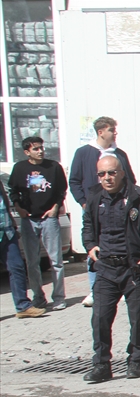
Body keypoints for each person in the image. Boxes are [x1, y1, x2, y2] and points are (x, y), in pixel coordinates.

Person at [81, 154, 140, 382]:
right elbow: (87, 225)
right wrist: (90, 246)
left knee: (138, 318)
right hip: (106, 268)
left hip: (133, 269)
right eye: (102, 174)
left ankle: (135, 361)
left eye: (111, 173)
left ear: (121, 173)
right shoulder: (94, 197)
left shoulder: (139, 197)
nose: (107, 178)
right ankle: (101, 365)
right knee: (99, 318)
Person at [69, 116, 135, 308]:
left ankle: (124, 285)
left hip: (119, 210)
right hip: (94, 210)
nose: (115, 134)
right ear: (101, 132)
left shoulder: (119, 154)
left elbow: (130, 179)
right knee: (95, 247)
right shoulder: (84, 153)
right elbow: (74, 181)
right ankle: (94, 289)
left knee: (121, 244)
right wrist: (83, 202)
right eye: (112, 130)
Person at [9, 136, 68, 310]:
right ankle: (38, 297)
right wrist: (19, 208)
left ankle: (59, 297)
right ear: (27, 152)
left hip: (49, 218)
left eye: (41, 147)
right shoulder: (20, 168)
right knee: (32, 262)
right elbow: (14, 191)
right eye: (35, 149)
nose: (40, 151)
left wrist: (55, 208)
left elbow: (61, 191)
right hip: (29, 219)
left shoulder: (53, 167)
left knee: (56, 261)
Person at [0, 183, 44, 319]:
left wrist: (12, 221)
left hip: (6, 230)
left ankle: (23, 306)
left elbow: (4, 200)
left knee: (17, 267)